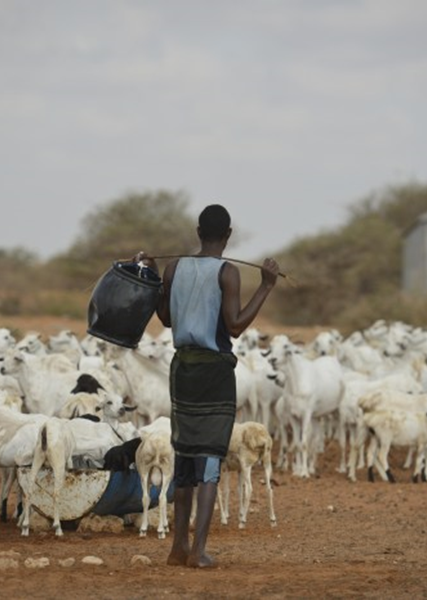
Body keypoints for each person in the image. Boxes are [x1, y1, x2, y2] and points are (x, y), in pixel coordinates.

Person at [133, 204, 280, 568]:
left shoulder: (174, 267)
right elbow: (234, 326)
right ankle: (198, 551)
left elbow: (165, 318)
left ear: (198, 232)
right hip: (214, 372)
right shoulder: (228, 273)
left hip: (182, 370)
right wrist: (265, 286)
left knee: (184, 455)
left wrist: (153, 277)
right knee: (210, 458)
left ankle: (177, 547)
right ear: (228, 235)